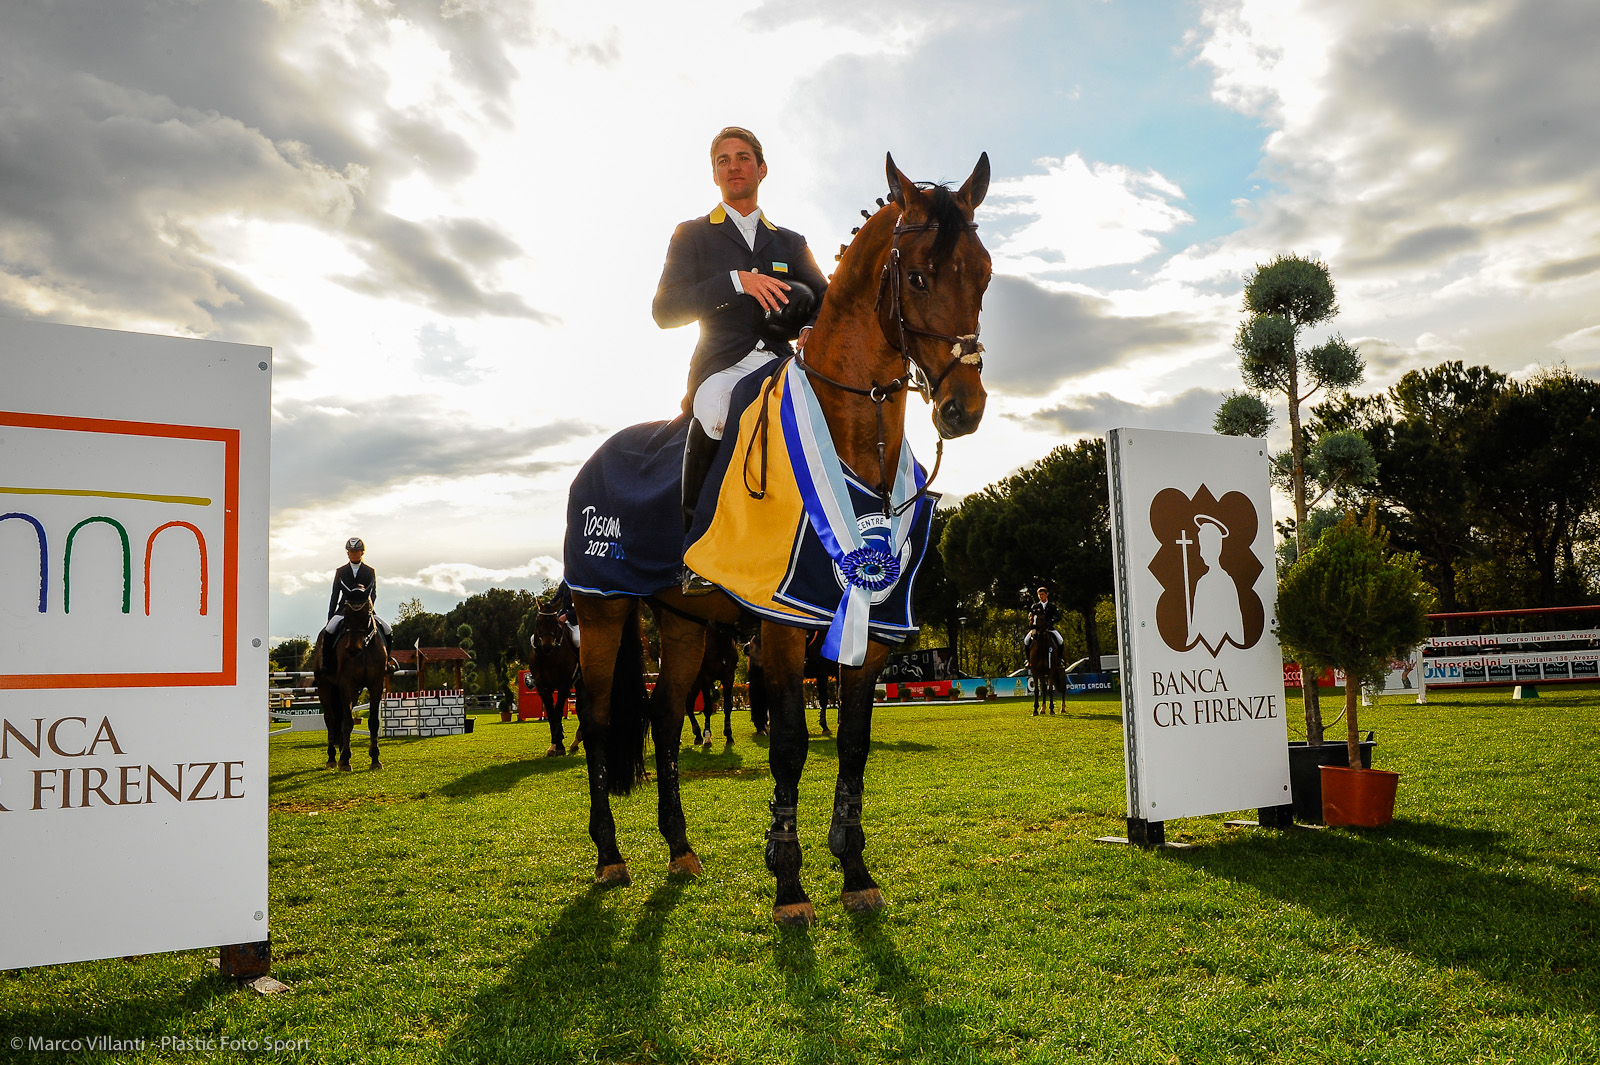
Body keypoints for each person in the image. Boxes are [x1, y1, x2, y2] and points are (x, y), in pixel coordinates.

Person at [653, 125, 830, 592]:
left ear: (762, 169)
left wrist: (812, 326)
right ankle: (695, 550)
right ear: (714, 175)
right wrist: (736, 281)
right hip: (720, 366)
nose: (734, 166)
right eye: (723, 160)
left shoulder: (790, 242)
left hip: (780, 361)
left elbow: (825, 301)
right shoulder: (691, 235)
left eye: (743, 157)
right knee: (714, 411)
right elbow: (664, 312)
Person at [316, 537, 393, 673]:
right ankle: (326, 663)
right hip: (344, 610)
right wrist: (330, 615)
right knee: (329, 630)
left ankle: (387, 662)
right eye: (351, 551)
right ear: (348, 553)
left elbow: (373, 594)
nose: (354, 553)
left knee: (387, 630)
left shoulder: (370, 571)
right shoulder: (341, 571)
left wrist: (367, 610)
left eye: (357, 551)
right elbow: (335, 595)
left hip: (365, 611)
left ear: (362, 552)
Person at [1022, 586, 1063, 655]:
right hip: (1037, 629)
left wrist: (1051, 621)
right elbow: (1031, 617)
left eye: (1042, 594)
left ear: (1047, 594)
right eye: (1039, 595)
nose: (1041, 596)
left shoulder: (1052, 606)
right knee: (1026, 640)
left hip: (1049, 628)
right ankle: (1028, 660)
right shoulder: (1035, 606)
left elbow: (1059, 617)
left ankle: (1060, 659)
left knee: (1060, 640)